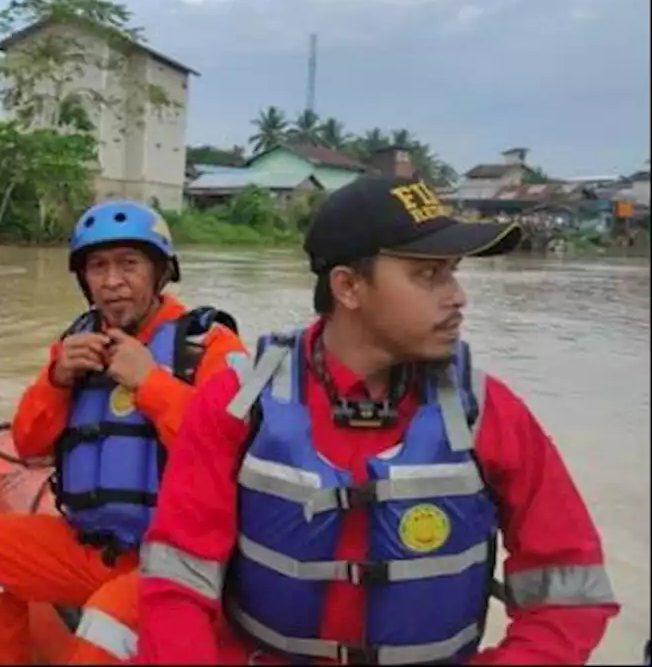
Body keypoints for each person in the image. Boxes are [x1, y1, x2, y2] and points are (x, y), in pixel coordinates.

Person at [136, 176, 619, 665]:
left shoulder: (488, 412)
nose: (458, 297)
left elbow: (569, 593)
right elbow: (176, 584)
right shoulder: (238, 403)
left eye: (452, 272)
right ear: (348, 287)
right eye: (428, 276)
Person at [0, 199, 250, 665]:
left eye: (129, 264)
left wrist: (151, 384)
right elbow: (28, 444)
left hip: (180, 560)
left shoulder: (208, 345)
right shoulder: (76, 344)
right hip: (93, 546)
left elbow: (237, 452)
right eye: (97, 266)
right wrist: (56, 380)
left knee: (104, 625)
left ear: (160, 272)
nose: (112, 281)